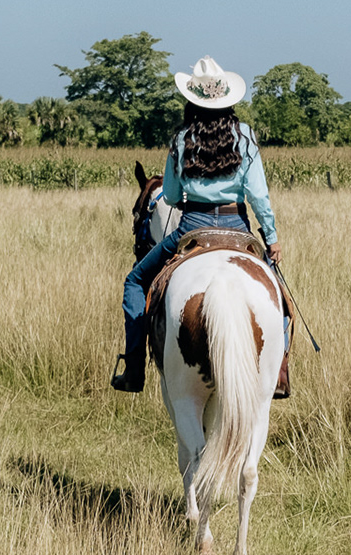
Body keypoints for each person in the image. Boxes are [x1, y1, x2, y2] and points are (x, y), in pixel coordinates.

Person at [112, 56, 284, 393]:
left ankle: (134, 367)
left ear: (192, 99)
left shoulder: (181, 138)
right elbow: (259, 196)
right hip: (238, 226)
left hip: (192, 225)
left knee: (135, 281)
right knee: (278, 294)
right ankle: (279, 372)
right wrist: (272, 238)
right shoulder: (245, 136)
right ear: (227, 98)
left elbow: (171, 195)